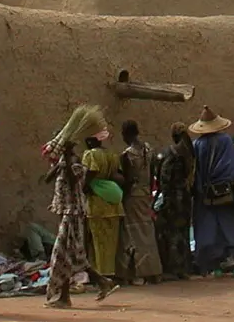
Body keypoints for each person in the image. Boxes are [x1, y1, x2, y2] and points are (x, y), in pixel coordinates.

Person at [43, 139, 117, 307]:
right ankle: (101, 282)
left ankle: (66, 296)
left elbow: (71, 179)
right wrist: (60, 162)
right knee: (72, 255)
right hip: (65, 212)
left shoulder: (75, 162)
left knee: (64, 254)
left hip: (73, 214)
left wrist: (67, 159)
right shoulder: (63, 162)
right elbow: (48, 178)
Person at [190, 105, 234, 275]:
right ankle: (232, 259)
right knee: (228, 223)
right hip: (225, 191)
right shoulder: (226, 141)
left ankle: (211, 262)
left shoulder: (197, 145)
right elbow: (233, 167)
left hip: (205, 192)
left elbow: (195, 170)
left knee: (207, 226)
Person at [117, 120, 163, 284]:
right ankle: (154, 270)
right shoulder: (148, 150)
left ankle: (138, 273)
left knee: (133, 235)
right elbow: (152, 177)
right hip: (145, 195)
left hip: (133, 197)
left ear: (126, 134)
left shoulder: (127, 155)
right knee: (147, 232)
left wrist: (122, 196)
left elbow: (128, 180)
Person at [155, 122, 196, 279]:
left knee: (170, 233)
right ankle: (184, 268)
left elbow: (164, 179)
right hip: (184, 198)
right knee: (183, 232)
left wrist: (161, 200)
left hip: (172, 198)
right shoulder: (189, 152)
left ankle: (173, 268)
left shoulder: (171, 152)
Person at [82, 133, 125, 279]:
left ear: (90, 140)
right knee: (111, 243)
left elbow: (92, 170)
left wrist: (84, 184)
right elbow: (118, 174)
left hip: (97, 204)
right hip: (113, 203)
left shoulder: (90, 155)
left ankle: (102, 276)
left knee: (98, 243)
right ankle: (111, 273)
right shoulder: (112, 155)